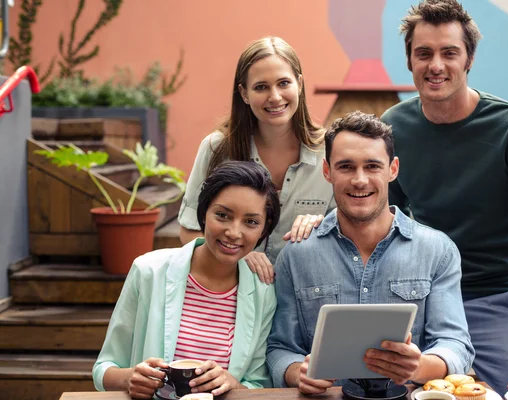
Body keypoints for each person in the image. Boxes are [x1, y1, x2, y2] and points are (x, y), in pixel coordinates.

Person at [381, 1, 508, 398]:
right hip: (424, 302)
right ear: (410, 61)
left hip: (496, 298)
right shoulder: (394, 127)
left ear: (469, 60)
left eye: (449, 52)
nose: (436, 65)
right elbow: (381, 219)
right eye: (423, 53)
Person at [266, 111, 474, 394]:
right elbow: (280, 349)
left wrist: (420, 366)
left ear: (393, 169)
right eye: (346, 167)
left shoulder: (437, 251)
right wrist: (296, 373)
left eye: (373, 166)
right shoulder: (297, 254)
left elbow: (456, 345)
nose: (360, 180)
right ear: (327, 171)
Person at [93, 161, 281, 399]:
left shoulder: (263, 291)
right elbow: (103, 369)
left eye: (251, 222)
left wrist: (231, 383)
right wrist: (129, 378)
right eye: (222, 215)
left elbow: (258, 385)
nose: (234, 232)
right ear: (203, 214)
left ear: (264, 230)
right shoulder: (148, 271)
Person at [179, 36, 335, 283]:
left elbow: (348, 233)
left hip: (304, 296)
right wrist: (239, 256)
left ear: (300, 84)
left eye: (284, 83)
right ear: (244, 93)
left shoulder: (331, 151)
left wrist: (324, 225)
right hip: (235, 294)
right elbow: (189, 230)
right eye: (261, 87)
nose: (275, 97)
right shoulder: (216, 149)